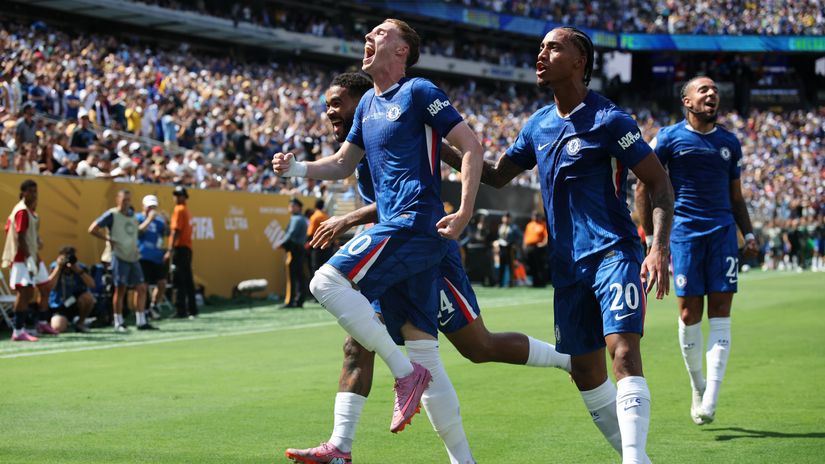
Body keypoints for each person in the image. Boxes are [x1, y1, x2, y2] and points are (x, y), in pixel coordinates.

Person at [285, 72, 570, 464]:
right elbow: (369, 185)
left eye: (338, 104)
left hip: (425, 245)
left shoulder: (399, 117)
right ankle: (342, 445)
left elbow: (424, 186)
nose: (329, 112)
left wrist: (349, 220)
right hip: (397, 241)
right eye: (327, 105)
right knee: (363, 344)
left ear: (364, 102)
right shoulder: (365, 139)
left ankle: (567, 359)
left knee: (477, 346)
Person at [440, 27, 674, 463]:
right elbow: (494, 175)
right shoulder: (538, 125)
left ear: (580, 60)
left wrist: (658, 245)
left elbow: (658, 181)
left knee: (622, 349)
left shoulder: (611, 121)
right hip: (567, 267)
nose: (541, 54)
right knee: (585, 372)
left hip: (613, 253)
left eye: (553, 47)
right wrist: (440, 145)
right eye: (541, 47)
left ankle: (634, 458)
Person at [274, 18, 483, 463]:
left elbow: (469, 145)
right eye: (368, 34)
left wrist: (463, 210)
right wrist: (296, 169)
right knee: (425, 347)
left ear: (403, 50)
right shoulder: (367, 102)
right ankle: (460, 460)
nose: (369, 38)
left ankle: (404, 375)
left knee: (325, 282)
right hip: (399, 230)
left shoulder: (420, 92)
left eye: (381, 33)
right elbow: (341, 163)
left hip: (413, 225)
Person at [635, 76, 758, 426]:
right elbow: (642, 187)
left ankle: (711, 399)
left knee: (721, 312)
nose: (711, 94)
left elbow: (736, 196)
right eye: (703, 90)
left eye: (715, 90)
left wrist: (747, 233)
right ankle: (697, 386)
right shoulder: (669, 138)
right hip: (684, 234)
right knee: (689, 314)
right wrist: (650, 240)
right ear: (686, 101)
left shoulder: (729, 143)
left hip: (722, 234)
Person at [88, 189, 156, 332]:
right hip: (119, 256)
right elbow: (93, 229)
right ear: (117, 200)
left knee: (141, 288)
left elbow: (137, 232)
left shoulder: (132, 216)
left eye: (128, 200)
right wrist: (108, 239)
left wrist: (149, 219)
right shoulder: (111, 215)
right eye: (124, 200)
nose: (126, 203)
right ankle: (118, 321)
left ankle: (141, 321)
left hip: (133, 256)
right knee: (120, 289)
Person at [2, 179, 57, 341]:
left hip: (32, 257)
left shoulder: (30, 212)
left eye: (35, 191)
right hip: (22, 258)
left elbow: (15, 231)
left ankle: (41, 322)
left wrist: (36, 251)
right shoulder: (21, 211)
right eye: (30, 191)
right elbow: (19, 236)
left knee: (45, 287)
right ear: (22, 193)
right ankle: (18, 331)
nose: (33, 194)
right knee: (24, 292)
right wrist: (27, 258)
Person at [47, 246, 95, 333]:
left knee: (88, 298)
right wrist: (58, 268)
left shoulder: (80, 267)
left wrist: (78, 270)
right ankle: (67, 321)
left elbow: (92, 285)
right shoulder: (54, 267)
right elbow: (49, 287)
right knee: (58, 328)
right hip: (60, 305)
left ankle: (80, 322)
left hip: (75, 302)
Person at [166, 186, 197, 318]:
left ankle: (181, 310)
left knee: (179, 280)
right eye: (176, 195)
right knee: (188, 280)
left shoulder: (179, 210)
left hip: (180, 248)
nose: (177, 197)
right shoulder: (186, 210)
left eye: (179, 195)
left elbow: (176, 231)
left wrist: (170, 249)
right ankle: (192, 308)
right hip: (187, 248)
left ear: (184, 197)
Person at [137, 195, 168, 319]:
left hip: (156, 257)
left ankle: (154, 305)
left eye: (154, 207)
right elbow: (138, 232)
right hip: (142, 257)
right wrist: (149, 219)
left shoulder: (159, 221)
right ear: (143, 206)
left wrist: (167, 223)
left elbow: (167, 233)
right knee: (143, 286)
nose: (152, 209)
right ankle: (143, 312)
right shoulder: (138, 218)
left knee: (162, 283)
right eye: (150, 207)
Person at [281, 198, 309, 308]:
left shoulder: (296, 219)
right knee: (299, 275)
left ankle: (290, 300)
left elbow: (290, 234)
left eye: (293, 206)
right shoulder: (302, 218)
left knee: (292, 276)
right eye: (290, 206)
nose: (291, 208)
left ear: (298, 207)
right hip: (300, 249)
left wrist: (282, 243)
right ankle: (299, 299)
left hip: (294, 249)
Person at [306, 199, 332, 276]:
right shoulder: (326, 216)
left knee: (315, 269)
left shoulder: (314, 216)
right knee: (325, 270)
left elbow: (310, 233)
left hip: (317, 247)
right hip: (327, 246)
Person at [523, 211, 549, 287]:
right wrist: (524, 245)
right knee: (531, 265)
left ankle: (541, 282)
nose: (535, 217)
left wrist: (543, 244)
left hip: (538, 248)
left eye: (537, 216)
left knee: (539, 266)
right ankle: (534, 282)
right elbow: (525, 236)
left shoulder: (543, 225)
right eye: (534, 216)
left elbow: (546, 236)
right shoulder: (529, 225)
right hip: (529, 247)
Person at [495, 212, 518, 287]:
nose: (506, 219)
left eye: (507, 217)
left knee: (511, 266)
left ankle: (511, 282)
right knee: (501, 265)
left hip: (510, 248)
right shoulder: (500, 226)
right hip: (502, 247)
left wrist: (515, 244)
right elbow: (498, 237)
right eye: (504, 217)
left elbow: (519, 237)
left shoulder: (514, 227)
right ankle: (500, 282)